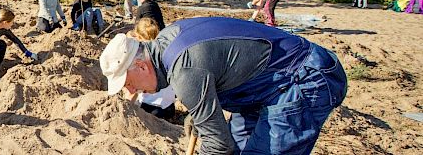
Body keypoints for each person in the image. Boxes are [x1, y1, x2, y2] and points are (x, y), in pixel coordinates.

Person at [99, 17, 347, 154]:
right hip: (260, 87)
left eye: (129, 83)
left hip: (301, 79)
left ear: (142, 66)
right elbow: (214, 69)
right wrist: (201, 114)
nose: (131, 92)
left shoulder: (184, 71)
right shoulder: (167, 39)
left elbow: (219, 146)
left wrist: (208, 130)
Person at [124, 18, 174, 120]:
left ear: (138, 37)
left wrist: (125, 107)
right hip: (169, 107)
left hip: (151, 108)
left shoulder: (140, 59)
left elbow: (132, 94)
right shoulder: (164, 50)